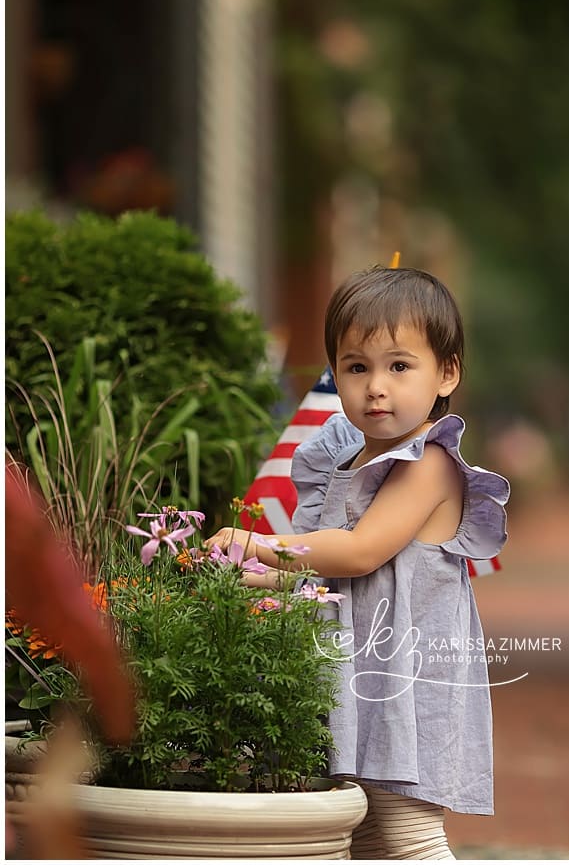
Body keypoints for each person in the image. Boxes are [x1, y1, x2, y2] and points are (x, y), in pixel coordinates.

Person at [207, 266, 507, 859]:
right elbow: (333, 573)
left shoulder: (429, 464)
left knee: (407, 835)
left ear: (446, 374)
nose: (376, 386)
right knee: (363, 835)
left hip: (403, 685)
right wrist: (263, 577)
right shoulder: (345, 462)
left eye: (399, 366)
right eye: (356, 366)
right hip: (357, 677)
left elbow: (362, 550)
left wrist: (263, 544)